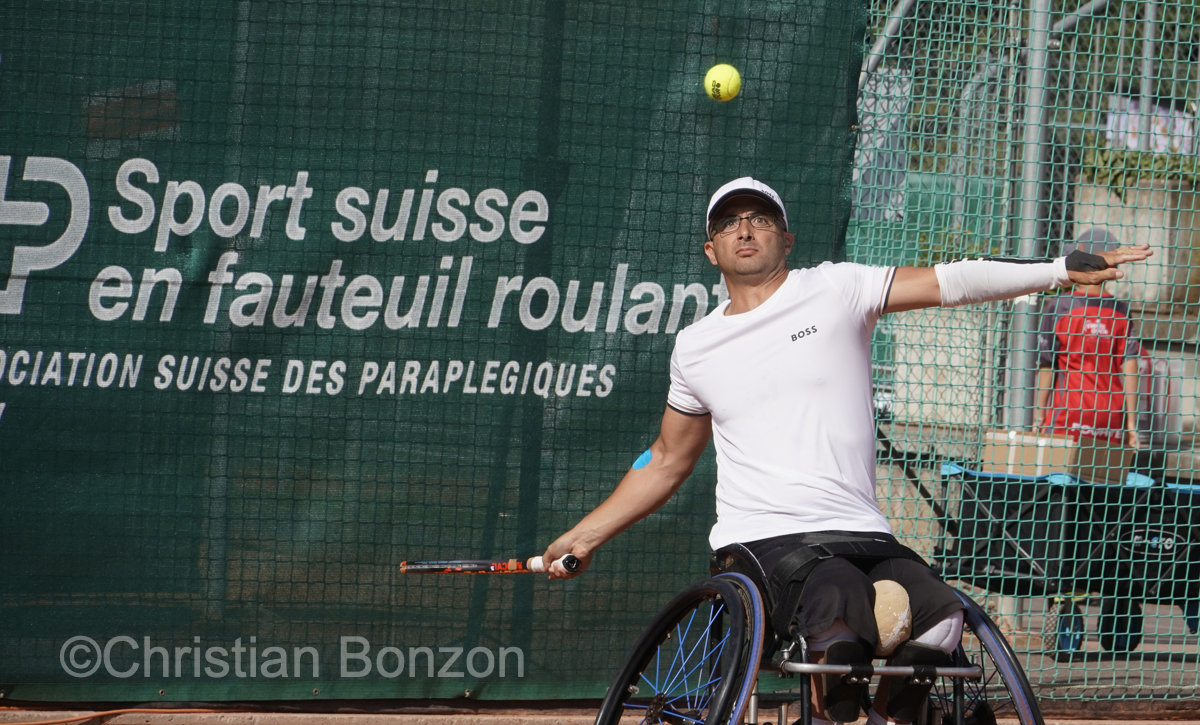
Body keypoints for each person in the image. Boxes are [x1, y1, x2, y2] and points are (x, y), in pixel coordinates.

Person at [540, 178, 1151, 725]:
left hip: (864, 533)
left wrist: (1057, 271)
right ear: (711, 251)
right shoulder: (696, 347)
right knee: (835, 592)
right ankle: (846, 693)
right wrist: (587, 533)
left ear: (787, 240)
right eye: (728, 223)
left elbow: (952, 280)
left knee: (942, 614)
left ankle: (898, 701)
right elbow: (666, 459)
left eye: (760, 219)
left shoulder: (836, 288)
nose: (745, 229)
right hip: (764, 541)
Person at [1033, 228, 1143, 450]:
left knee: (1056, 480)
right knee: (1100, 480)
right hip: (1109, 417)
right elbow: (1130, 367)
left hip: (1068, 414)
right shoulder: (1120, 311)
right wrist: (1131, 426)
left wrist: (1039, 416)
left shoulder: (1061, 307)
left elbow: (1047, 365)